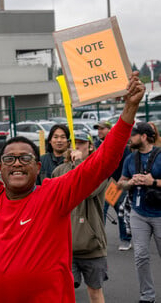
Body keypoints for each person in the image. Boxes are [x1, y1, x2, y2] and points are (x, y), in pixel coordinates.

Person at [0, 70, 145, 302]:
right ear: (0, 167)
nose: (17, 163)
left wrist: (129, 110)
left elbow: (102, 163)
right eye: (9, 159)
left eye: (25, 158)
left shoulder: (54, 194)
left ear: (37, 167)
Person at [52, 130, 108, 303]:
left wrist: (80, 164)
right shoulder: (59, 171)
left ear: (90, 146)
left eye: (82, 143)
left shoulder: (99, 170)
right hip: (66, 246)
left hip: (92, 246)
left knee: (94, 291)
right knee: (63, 292)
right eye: (74, 143)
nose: (77, 147)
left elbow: (86, 190)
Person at [118, 122, 161, 303]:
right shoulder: (130, 158)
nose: (130, 138)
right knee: (141, 255)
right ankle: (147, 295)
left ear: (144, 136)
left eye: (133, 135)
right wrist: (131, 183)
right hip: (138, 213)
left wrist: (152, 182)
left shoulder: (159, 155)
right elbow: (120, 182)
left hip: (159, 213)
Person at [94, 120, 132, 251]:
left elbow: (126, 162)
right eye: (98, 128)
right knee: (101, 212)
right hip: (102, 184)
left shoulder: (119, 144)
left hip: (116, 183)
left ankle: (126, 239)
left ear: (109, 130)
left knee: (120, 212)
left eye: (102, 128)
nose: (99, 131)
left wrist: (121, 180)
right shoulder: (96, 145)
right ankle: (99, 240)